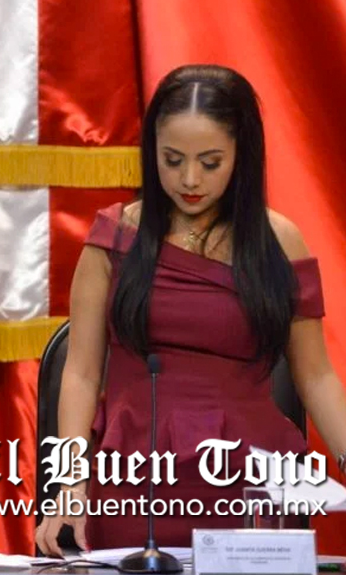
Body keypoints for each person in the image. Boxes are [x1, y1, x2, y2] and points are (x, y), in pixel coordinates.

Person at [35, 64, 346, 555]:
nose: (189, 179)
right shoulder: (113, 239)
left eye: (210, 162)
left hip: (253, 487)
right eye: (172, 160)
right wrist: (71, 485)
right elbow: (81, 374)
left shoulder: (280, 242)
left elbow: (317, 377)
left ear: (241, 155)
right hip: (135, 483)